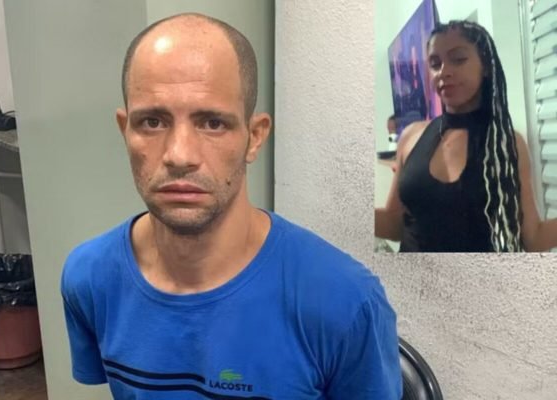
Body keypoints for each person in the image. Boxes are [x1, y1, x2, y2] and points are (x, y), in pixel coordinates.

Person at [61, 13, 402, 399]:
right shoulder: (89, 277)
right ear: (125, 130)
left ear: (254, 137)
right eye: (152, 122)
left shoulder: (345, 301)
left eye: (212, 123)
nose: (180, 155)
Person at [375, 20, 557, 252]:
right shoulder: (411, 136)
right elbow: (395, 224)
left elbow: (533, 238)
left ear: (486, 67)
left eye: (458, 59)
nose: (443, 72)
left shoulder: (506, 144)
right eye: (435, 64)